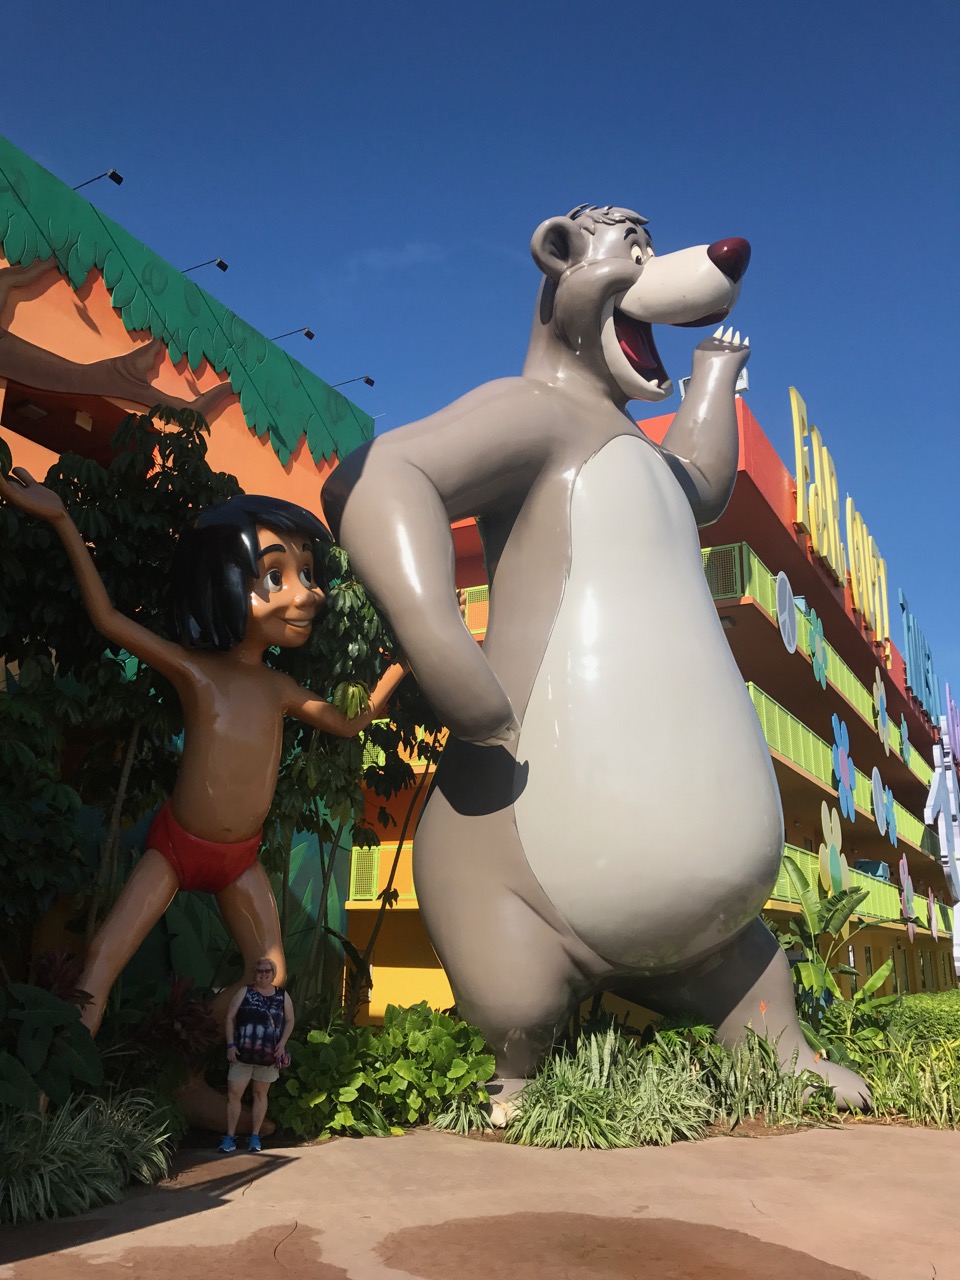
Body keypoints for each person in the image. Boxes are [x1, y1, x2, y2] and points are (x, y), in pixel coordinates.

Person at [0, 471, 408, 1061]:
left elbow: (348, 722)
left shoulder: (278, 686)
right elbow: (108, 619)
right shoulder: (196, 672)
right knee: (102, 961)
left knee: (270, 975)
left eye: (307, 574)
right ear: (224, 581)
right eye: (276, 576)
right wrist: (63, 520)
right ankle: (56, 1086)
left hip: (240, 858)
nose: (307, 595)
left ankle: (185, 1051)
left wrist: (400, 666)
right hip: (176, 847)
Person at [220, 956, 293, 1152]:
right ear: (255, 973)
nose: (263, 974)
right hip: (242, 1054)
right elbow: (230, 1017)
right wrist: (230, 1045)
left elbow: (290, 1020)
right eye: (260, 971)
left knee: (260, 1094)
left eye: (267, 971)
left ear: (273, 974)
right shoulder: (245, 992)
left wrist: (282, 1044)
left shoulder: (282, 996)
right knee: (234, 1094)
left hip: (268, 1056)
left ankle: (255, 1136)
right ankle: (230, 1136)